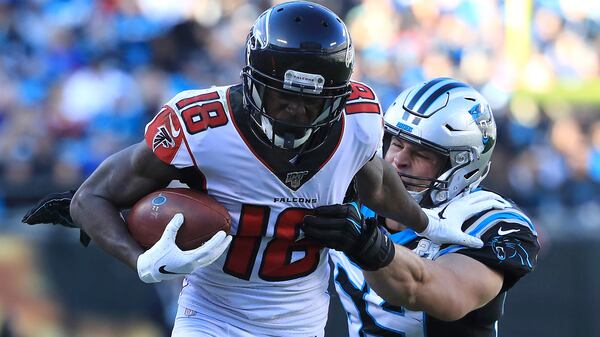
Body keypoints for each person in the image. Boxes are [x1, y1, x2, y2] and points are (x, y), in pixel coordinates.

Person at [22, 3, 482, 337]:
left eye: (311, 100)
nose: (296, 112)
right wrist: (139, 260)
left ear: (339, 96)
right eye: (283, 95)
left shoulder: (360, 121)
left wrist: (429, 223)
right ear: (253, 81)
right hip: (211, 315)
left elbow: (376, 181)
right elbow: (90, 198)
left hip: (300, 320)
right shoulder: (201, 125)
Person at [303, 77, 540, 337]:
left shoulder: (487, 221)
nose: (398, 160)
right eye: (396, 143)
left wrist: (367, 245)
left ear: (462, 166)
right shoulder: (353, 195)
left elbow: (440, 292)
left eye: (421, 154)